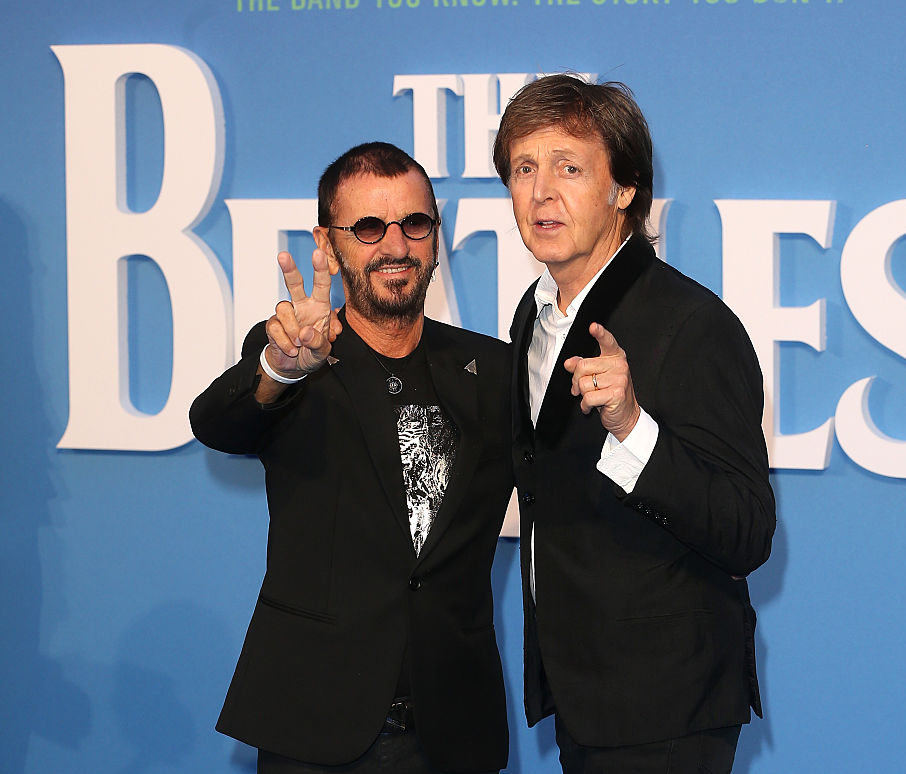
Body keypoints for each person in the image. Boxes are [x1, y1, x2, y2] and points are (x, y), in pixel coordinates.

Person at [190, 142, 512, 774]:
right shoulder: (297, 355)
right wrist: (278, 372)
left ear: (435, 236)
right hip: (318, 729)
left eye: (414, 224)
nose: (395, 245)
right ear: (329, 242)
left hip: (452, 733)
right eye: (368, 228)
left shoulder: (493, 369)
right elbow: (217, 422)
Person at [492, 75, 777, 773]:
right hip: (585, 694)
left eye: (569, 167)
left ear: (625, 190)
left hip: (667, 705)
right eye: (524, 168)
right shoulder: (533, 315)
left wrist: (631, 425)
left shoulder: (693, 325)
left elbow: (745, 530)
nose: (541, 192)